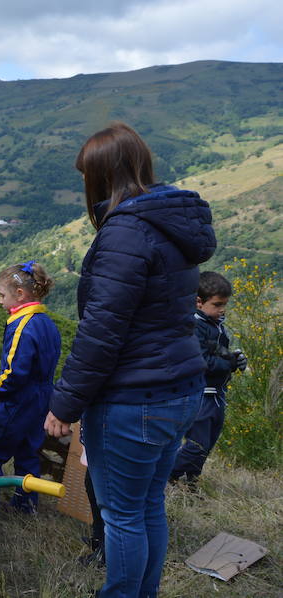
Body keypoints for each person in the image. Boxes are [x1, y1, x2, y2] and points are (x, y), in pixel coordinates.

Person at [44, 122, 215, 598]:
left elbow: (102, 332)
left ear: (102, 176)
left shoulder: (126, 232)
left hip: (134, 397)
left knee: (121, 514)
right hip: (180, 387)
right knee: (147, 507)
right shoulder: (169, 224)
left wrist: (65, 404)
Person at [0, 260, 61, 517]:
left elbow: (14, 371)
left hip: (19, 400)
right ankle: (25, 506)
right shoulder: (47, 323)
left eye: (2, 295)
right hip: (43, 398)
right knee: (28, 453)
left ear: (19, 295)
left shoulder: (21, 324)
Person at [170, 271, 247, 486]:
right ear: (199, 302)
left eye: (225, 305)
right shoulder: (195, 326)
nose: (222, 309)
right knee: (197, 444)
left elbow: (218, 354)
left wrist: (235, 359)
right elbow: (202, 362)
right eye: (217, 304)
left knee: (208, 442)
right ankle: (170, 476)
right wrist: (229, 364)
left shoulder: (215, 323)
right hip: (202, 394)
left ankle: (192, 480)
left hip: (216, 394)